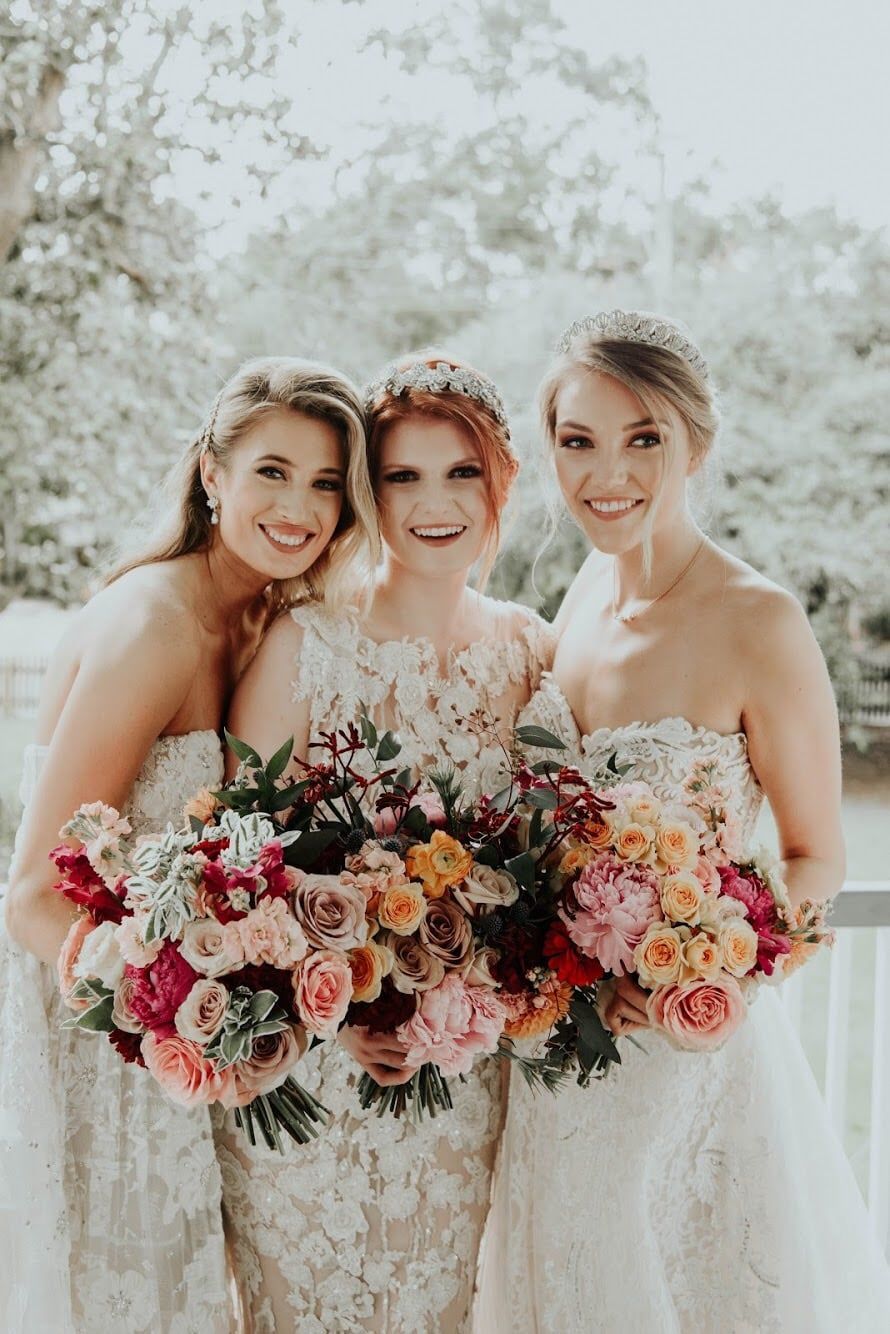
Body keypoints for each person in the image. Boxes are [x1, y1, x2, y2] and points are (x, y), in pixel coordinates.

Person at [476, 311, 890, 1332]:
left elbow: (811, 852)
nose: (603, 473)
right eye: (577, 441)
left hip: (677, 1054)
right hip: (546, 1051)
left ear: (694, 445)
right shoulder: (575, 596)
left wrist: (697, 974)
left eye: (641, 438)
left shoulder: (757, 618)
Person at [0, 357, 376, 1333]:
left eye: (327, 482)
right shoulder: (155, 626)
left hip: (171, 1039)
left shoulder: (252, 616)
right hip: (104, 1044)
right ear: (211, 473)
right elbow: (33, 897)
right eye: (272, 470)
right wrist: (173, 1012)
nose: (299, 505)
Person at [214, 353, 554, 1332]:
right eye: (403, 474)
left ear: (499, 483)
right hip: (318, 1068)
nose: (433, 501)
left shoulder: (529, 650)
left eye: (461, 473)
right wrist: (337, 1000)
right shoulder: (306, 640)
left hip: (460, 1083)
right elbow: (241, 858)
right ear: (369, 487)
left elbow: (544, 862)